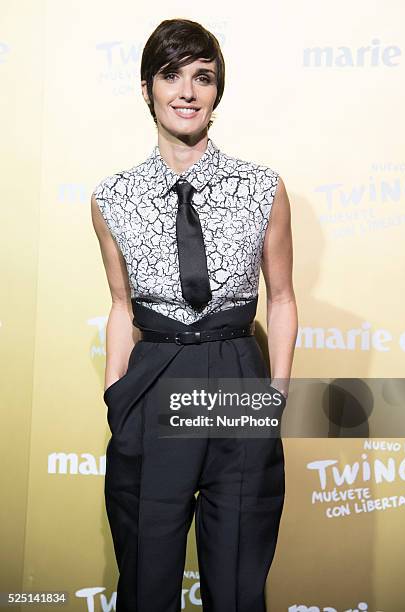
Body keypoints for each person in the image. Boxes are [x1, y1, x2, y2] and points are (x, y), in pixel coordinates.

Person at [91, 17, 298, 612]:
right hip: (152, 377)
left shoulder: (262, 187)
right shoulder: (114, 197)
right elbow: (120, 305)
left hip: (236, 372)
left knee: (236, 583)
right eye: (170, 74)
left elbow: (281, 299)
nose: (186, 91)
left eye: (202, 77)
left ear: (217, 93)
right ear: (148, 89)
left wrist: (275, 395)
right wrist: (116, 393)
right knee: (147, 579)